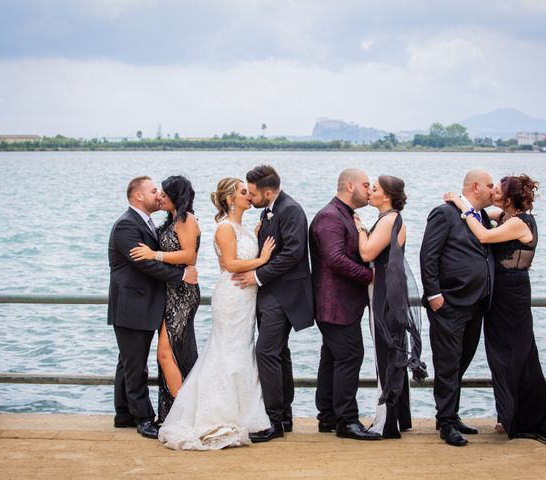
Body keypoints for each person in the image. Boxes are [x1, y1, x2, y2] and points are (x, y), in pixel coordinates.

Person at [444, 175, 546, 445]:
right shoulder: (504, 215)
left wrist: (459, 202)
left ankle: (520, 417)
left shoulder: (518, 222)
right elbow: (479, 212)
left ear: (509, 197)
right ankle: (508, 413)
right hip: (500, 293)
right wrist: (465, 203)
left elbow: (483, 235)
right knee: (499, 355)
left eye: (498, 189)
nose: (492, 191)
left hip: (512, 295)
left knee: (514, 355)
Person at [158, 178, 275, 450]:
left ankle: (243, 412)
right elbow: (231, 264)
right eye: (244, 192)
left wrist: (256, 237)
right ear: (231, 198)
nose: (250, 196)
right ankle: (216, 413)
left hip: (246, 297)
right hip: (232, 296)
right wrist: (262, 261)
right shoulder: (224, 227)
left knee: (242, 350)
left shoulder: (243, 228)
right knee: (227, 351)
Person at [108, 176, 197, 439]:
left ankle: (123, 412)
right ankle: (143, 418)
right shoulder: (126, 226)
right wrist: (180, 276)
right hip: (131, 304)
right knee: (135, 365)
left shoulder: (150, 222)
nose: (157, 194)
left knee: (128, 362)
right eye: (152, 190)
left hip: (145, 303)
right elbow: (144, 263)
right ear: (138, 196)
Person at [233, 165, 314, 442]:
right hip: (272, 294)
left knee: (266, 353)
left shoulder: (290, 210)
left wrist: (257, 276)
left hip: (283, 295)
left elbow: (293, 253)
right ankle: (285, 417)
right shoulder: (270, 211)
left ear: (268, 192)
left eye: (253, 193)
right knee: (279, 354)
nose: (250, 197)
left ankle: (274, 421)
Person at [420, 169, 495, 447]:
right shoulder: (444, 213)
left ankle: (452, 414)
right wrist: (434, 293)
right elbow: (428, 254)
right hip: (449, 302)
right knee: (448, 364)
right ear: (476, 186)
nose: (493, 190)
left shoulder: (482, 216)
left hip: (476, 304)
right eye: (490, 186)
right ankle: (446, 423)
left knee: (461, 362)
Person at [309, 168, 381, 441]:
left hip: (339, 303)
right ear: (350, 186)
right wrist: (371, 276)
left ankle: (328, 416)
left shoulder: (343, 214)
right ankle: (347, 420)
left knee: (332, 358)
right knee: (350, 356)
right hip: (334, 303)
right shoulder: (330, 217)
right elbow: (336, 259)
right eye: (366, 184)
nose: (370, 188)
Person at [355, 175, 427, 439]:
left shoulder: (388, 219)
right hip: (386, 289)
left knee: (386, 352)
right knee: (392, 350)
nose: (370, 192)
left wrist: (360, 229)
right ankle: (399, 417)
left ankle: (386, 422)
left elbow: (366, 254)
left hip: (383, 292)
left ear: (386, 196)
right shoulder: (391, 218)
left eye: (374, 189)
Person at [129, 175, 201, 423]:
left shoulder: (186, 219)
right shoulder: (169, 220)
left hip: (183, 294)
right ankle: (176, 409)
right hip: (168, 292)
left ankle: (183, 411)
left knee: (165, 353)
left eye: (164, 194)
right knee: (178, 353)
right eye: (158, 192)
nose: (159, 197)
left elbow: (189, 256)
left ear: (176, 197)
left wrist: (154, 254)